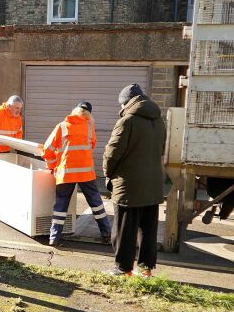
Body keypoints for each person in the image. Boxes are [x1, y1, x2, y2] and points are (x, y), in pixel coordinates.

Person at [103, 83, 166, 277]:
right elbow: (161, 150)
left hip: (129, 185)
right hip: (153, 183)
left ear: (126, 103)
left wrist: (108, 174)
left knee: (124, 229)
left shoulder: (127, 121)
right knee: (148, 228)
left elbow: (112, 153)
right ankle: (146, 269)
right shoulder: (159, 120)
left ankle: (123, 268)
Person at [41, 101, 111, 248]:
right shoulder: (90, 127)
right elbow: (90, 147)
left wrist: (53, 165)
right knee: (96, 204)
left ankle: (54, 238)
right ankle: (107, 234)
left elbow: (47, 150)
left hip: (66, 172)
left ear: (74, 111)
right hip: (86, 173)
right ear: (89, 115)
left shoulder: (61, 126)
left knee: (61, 206)